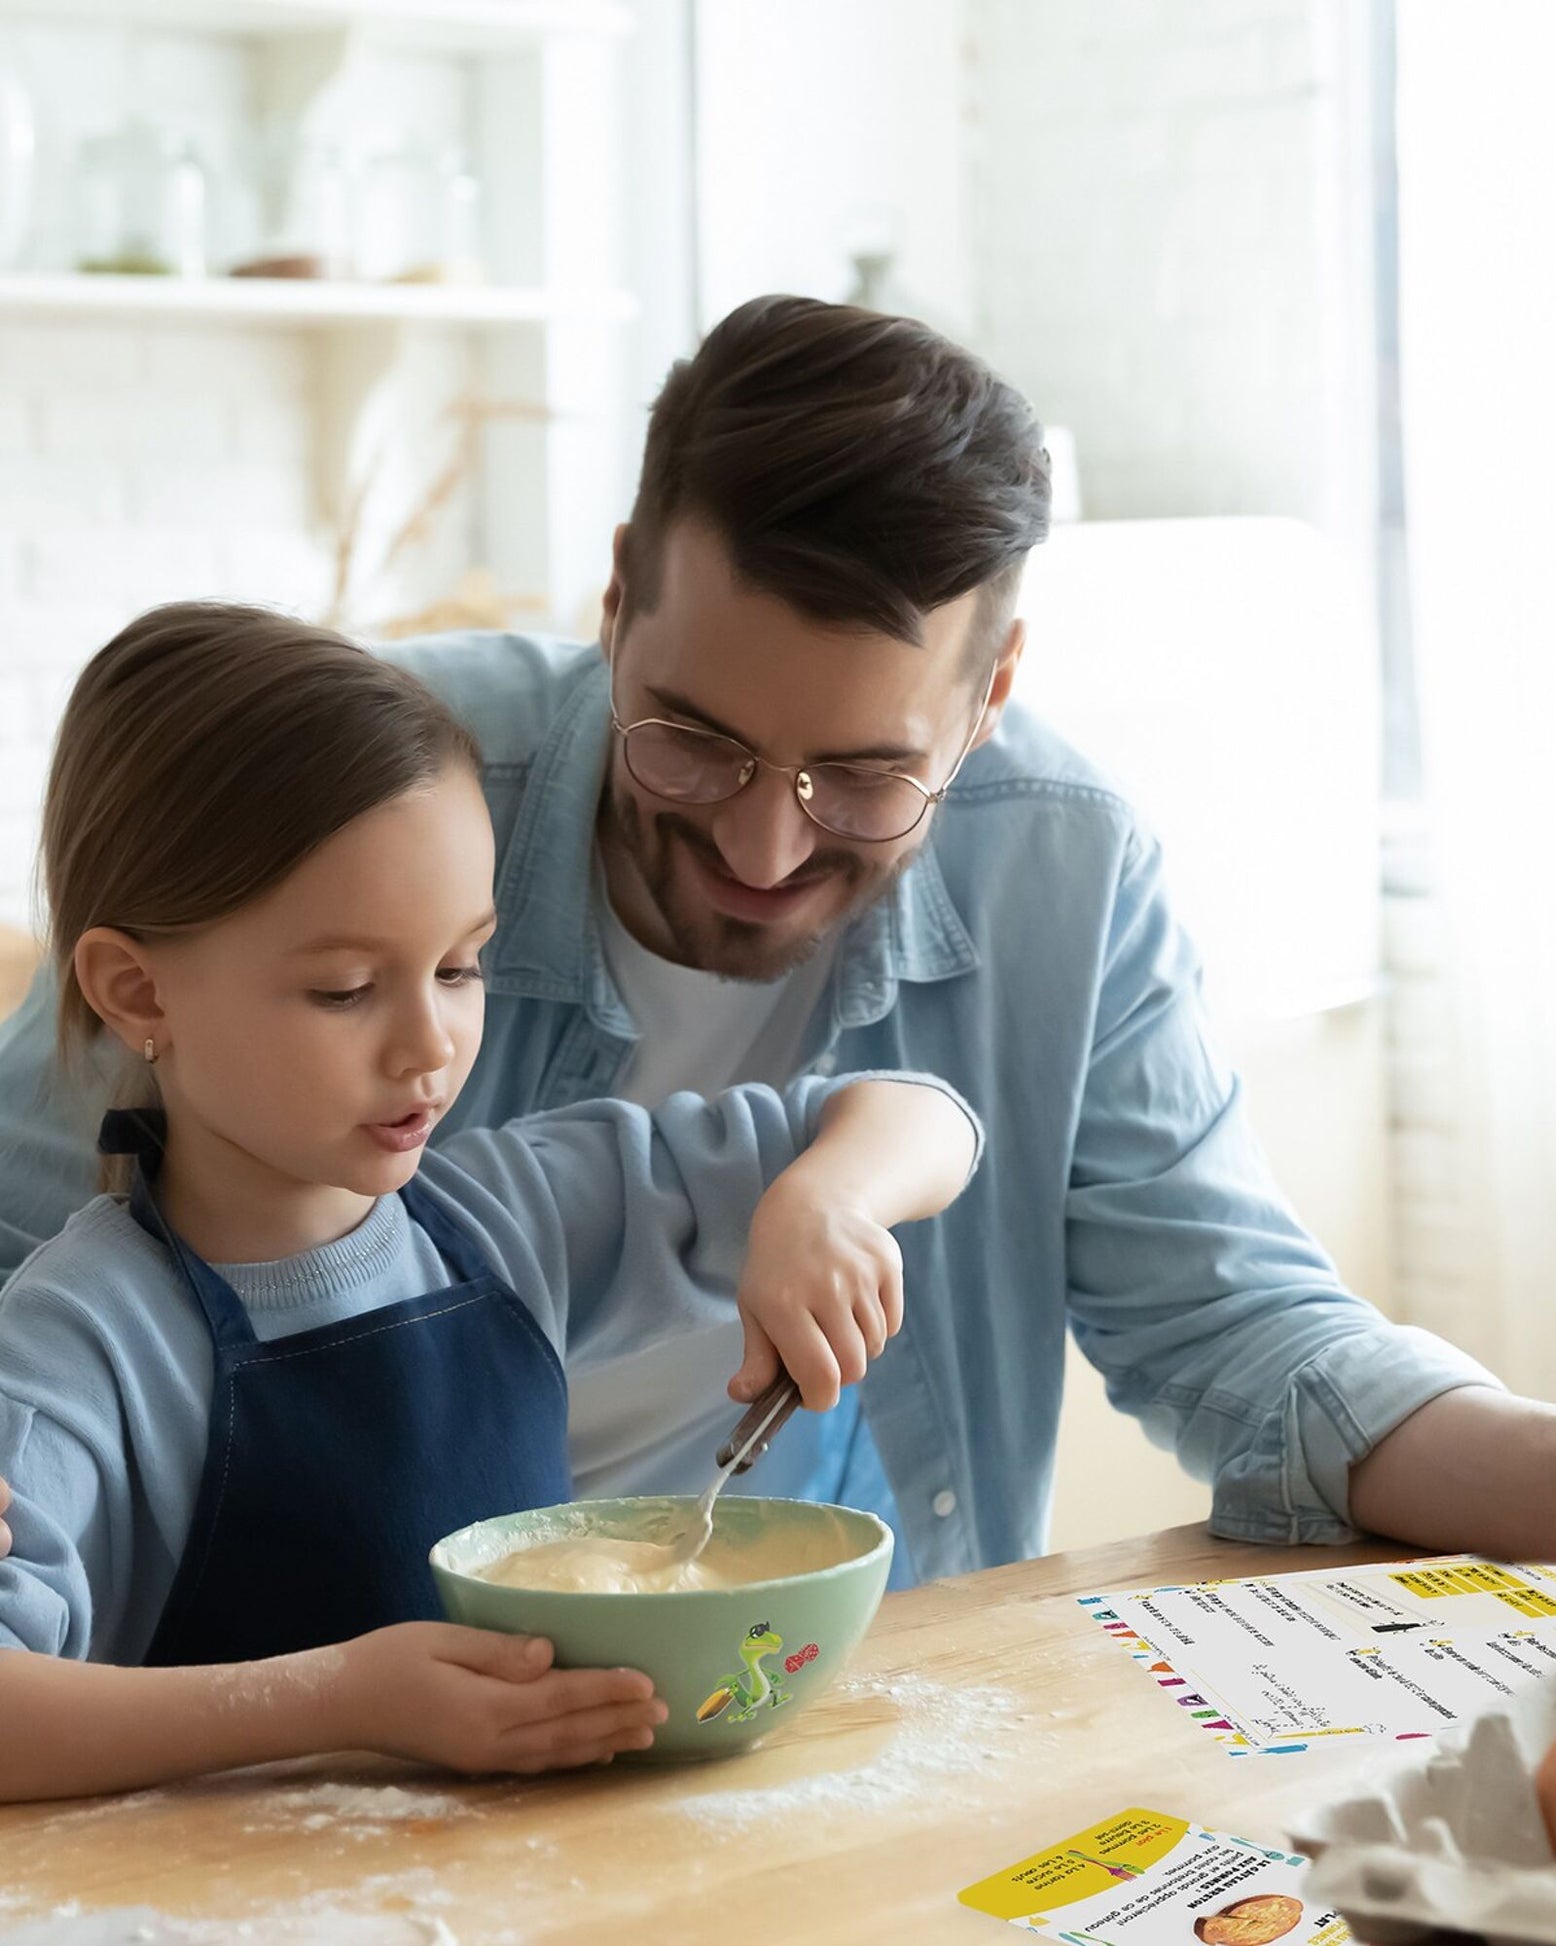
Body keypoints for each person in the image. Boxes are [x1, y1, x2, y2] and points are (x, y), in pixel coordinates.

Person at [0, 298, 1556, 1593]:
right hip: (335, 1682)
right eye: (691, 740)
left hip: (824, 1670)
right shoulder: (387, 797)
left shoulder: (1064, 869)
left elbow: (1232, 1324)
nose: (762, 846)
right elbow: (28, 1216)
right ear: (616, 595)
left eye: (861, 775)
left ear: (991, 694)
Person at [0, 604, 978, 1802]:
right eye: (347, 988)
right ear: (137, 989)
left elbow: (919, 1113)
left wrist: (824, 1201)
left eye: (461, 967)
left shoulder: (515, 1216)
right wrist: (342, 1696)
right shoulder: (82, 1339)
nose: (430, 1045)